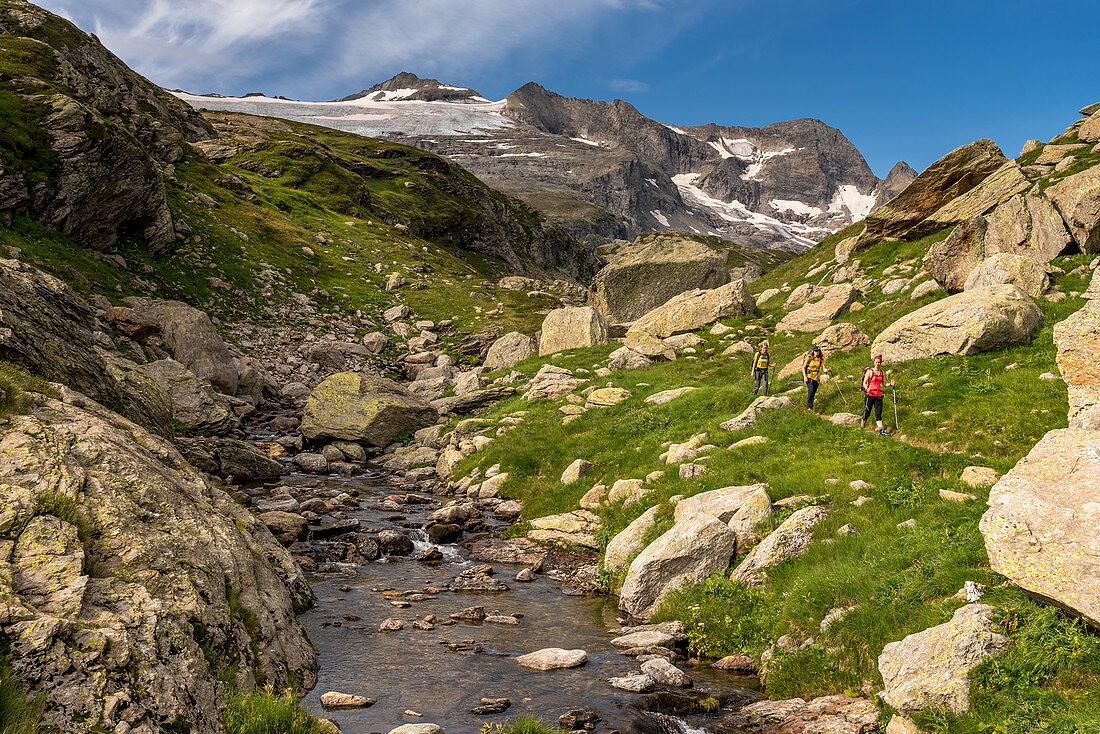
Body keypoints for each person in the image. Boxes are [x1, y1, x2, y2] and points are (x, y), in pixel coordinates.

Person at [861, 355, 895, 436]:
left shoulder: (882, 372)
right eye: (876, 362)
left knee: (878, 413)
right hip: (870, 394)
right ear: (874, 362)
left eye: (879, 362)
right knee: (867, 412)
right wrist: (866, 388)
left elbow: (884, 384)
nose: (877, 364)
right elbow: (864, 382)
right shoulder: (870, 371)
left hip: (879, 395)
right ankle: (862, 427)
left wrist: (891, 384)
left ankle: (881, 430)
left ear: (881, 363)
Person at [802, 346, 830, 410]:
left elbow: (824, 369)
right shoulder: (808, 358)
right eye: (816, 351)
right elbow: (803, 368)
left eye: (818, 351)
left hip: (817, 378)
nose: (817, 352)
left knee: (813, 392)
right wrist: (805, 377)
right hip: (809, 376)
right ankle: (809, 407)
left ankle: (811, 406)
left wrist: (827, 370)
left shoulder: (821, 359)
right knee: (811, 390)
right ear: (813, 351)